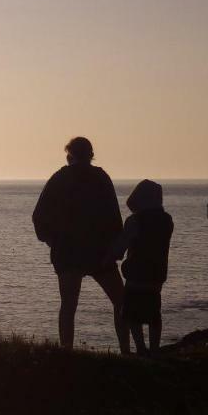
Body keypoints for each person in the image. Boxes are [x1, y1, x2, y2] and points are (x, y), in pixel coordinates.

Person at [33, 136, 129, 353]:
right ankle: (125, 350)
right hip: (98, 252)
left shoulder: (60, 178)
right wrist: (115, 249)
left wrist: (51, 240)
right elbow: (114, 216)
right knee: (121, 301)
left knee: (68, 306)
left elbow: (39, 215)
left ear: (71, 155)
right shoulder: (100, 177)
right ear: (90, 154)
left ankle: (66, 350)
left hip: (69, 252)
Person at [107, 179, 173, 355]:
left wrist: (110, 254)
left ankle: (140, 348)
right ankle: (154, 350)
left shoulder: (134, 221)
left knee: (131, 313)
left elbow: (120, 247)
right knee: (153, 312)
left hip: (136, 273)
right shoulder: (167, 221)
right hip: (157, 274)